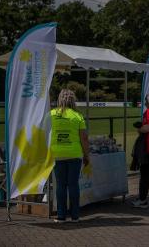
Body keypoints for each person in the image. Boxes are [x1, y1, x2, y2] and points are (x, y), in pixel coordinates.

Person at [50, 89, 89, 223]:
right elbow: (84, 138)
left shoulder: (51, 114)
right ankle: (75, 216)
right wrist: (87, 155)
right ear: (73, 100)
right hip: (74, 154)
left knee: (61, 185)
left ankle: (61, 216)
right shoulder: (77, 116)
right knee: (73, 185)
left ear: (60, 99)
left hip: (57, 155)